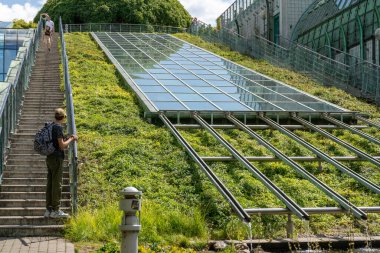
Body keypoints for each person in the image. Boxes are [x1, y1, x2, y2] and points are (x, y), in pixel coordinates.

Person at [44, 108, 77, 218]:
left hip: (49, 157)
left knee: (50, 183)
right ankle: (56, 210)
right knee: (57, 184)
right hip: (57, 158)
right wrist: (72, 139)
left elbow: (57, 141)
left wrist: (66, 138)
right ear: (63, 117)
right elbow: (62, 145)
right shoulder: (58, 127)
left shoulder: (51, 126)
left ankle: (48, 209)